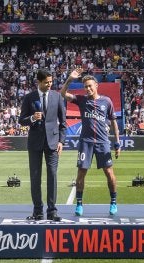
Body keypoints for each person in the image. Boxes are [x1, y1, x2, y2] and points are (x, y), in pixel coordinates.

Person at [61, 68, 121, 216]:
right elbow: (62, 94)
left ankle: (113, 202)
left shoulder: (106, 101)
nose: (87, 88)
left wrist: (117, 143)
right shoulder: (81, 100)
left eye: (90, 86)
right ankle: (79, 204)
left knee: (109, 172)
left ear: (96, 85)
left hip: (102, 142)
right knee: (81, 173)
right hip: (85, 143)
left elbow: (114, 123)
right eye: (85, 86)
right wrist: (70, 79)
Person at [19, 69, 66, 221]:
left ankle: (52, 211)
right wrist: (32, 118)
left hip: (53, 143)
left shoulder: (57, 96)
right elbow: (21, 120)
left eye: (51, 82)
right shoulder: (29, 98)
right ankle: (38, 211)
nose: (49, 85)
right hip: (34, 143)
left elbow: (63, 123)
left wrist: (61, 141)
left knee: (52, 175)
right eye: (46, 82)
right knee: (35, 177)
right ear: (38, 82)